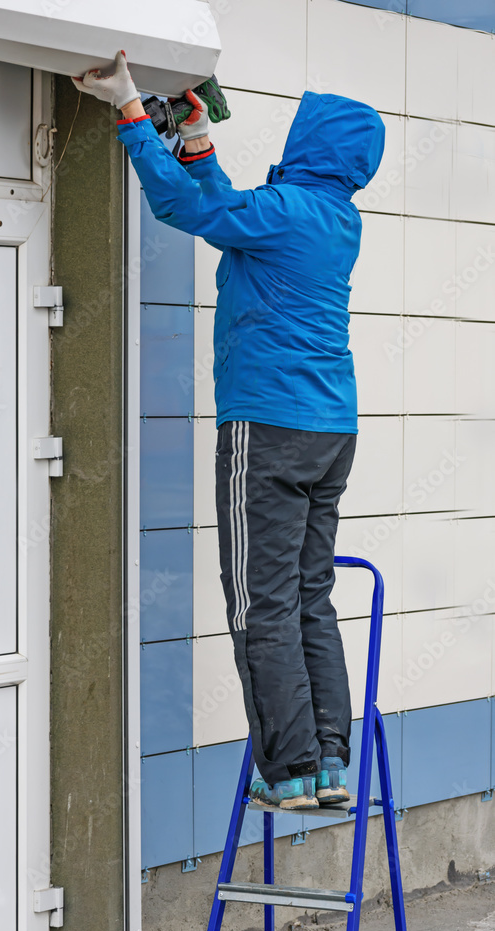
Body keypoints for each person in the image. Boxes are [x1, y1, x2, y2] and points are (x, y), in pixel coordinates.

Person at [73, 52, 385, 811]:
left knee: (258, 602)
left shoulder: (285, 212)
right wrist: (198, 141)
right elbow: (227, 211)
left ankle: (285, 775)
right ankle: (326, 768)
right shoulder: (332, 217)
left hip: (268, 426)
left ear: (310, 146)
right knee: (310, 597)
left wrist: (129, 114)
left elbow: (186, 211)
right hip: (328, 430)